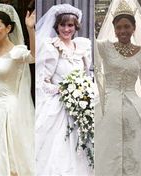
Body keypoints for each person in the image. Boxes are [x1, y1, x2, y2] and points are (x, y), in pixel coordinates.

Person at [94, 0, 141, 175]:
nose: (123, 31)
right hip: (108, 104)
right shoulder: (104, 47)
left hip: (134, 104)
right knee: (108, 146)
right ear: (114, 29)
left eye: (127, 27)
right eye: (118, 27)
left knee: (135, 145)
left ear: (134, 28)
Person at [0, 3, 35, 176]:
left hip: (11, 112)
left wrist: (30, 29)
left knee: (12, 162)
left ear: (8, 28)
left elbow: (34, 57)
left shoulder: (16, 52)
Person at [36, 4, 93, 175]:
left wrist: (85, 90)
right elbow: (42, 82)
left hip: (81, 105)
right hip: (59, 105)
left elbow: (86, 74)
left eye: (70, 25)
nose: (66, 29)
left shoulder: (82, 47)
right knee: (58, 151)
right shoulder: (51, 47)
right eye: (63, 25)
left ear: (76, 27)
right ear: (57, 26)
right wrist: (64, 90)